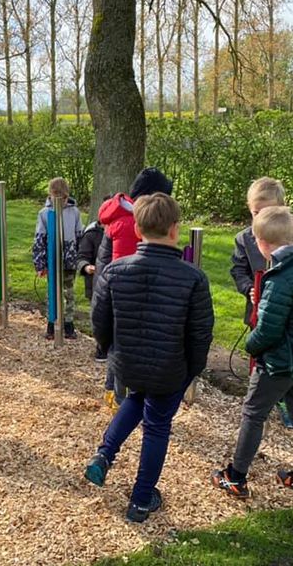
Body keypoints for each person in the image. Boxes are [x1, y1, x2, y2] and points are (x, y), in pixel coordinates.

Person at [84, 193, 213, 523]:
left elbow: (100, 322)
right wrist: (190, 372)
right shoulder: (193, 278)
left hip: (129, 363)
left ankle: (103, 455)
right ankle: (141, 499)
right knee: (156, 426)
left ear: (137, 229)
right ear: (175, 230)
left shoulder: (115, 271)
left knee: (136, 399)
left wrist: (113, 353)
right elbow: (200, 335)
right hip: (169, 368)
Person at [213, 206, 293, 499]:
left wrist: (251, 345)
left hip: (278, 363)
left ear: (262, 243)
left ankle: (236, 476)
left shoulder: (279, 276)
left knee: (253, 413)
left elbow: (269, 329)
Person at [95, 167, 173, 408]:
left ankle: (113, 391)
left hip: (116, 288)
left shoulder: (125, 215)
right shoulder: (130, 222)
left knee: (120, 343)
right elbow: (130, 265)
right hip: (124, 293)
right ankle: (119, 400)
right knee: (123, 346)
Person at [230, 177, 292, 428]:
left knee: (284, 354)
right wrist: (249, 290)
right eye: (256, 212)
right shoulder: (245, 239)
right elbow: (238, 270)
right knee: (262, 352)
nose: (260, 218)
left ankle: (284, 403)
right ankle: (259, 400)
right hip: (259, 308)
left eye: (266, 212)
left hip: (286, 309)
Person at [33, 177, 84, 340]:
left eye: (63, 198)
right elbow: (39, 239)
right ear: (50, 196)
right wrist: (40, 264)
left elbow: (79, 236)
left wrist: (80, 257)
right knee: (52, 293)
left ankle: (69, 324)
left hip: (69, 260)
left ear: (67, 196)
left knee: (68, 292)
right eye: (57, 198)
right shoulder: (44, 214)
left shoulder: (74, 212)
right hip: (52, 260)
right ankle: (52, 323)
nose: (61, 201)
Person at [76, 196, 109, 359]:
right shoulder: (91, 234)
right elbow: (81, 257)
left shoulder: (122, 233)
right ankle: (101, 347)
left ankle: (111, 348)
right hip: (96, 283)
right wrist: (86, 267)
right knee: (99, 317)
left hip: (114, 282)